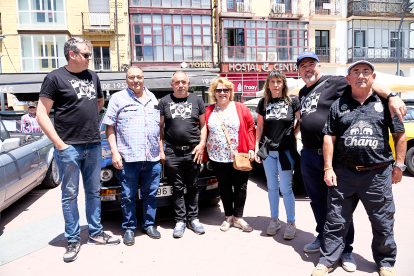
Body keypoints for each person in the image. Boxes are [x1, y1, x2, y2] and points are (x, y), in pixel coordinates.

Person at [297, 51, 406, 272]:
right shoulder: (302, 92)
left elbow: (365, 84)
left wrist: (393, 95)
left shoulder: (336, 82)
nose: (360, 76)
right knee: (323, 205)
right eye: (303, 66)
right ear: (299, 71)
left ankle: (350, 251)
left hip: (348, 162)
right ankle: (325, 244)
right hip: (312, 155)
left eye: (312, 64)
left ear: (320, 67)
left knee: (377, 219)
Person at [36, 37, 120, 263]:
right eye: (85, 54)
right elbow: (41, 114)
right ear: (71, 54)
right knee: (70, 195)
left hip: (93, 144)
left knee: (94, 192)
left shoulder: (93, 76)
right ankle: (73, 239)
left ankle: (95, 232)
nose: (89, 58)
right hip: (69, 146)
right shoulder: (54, 78)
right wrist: (60, 144)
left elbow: (99, 101)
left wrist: (89, 121)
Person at [103, 66, 161, 245]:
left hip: (152, 157)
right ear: (126, 79)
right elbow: (110, 126)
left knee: (151, 194)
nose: (135, 80)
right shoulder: (117, 98)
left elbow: (159, 127)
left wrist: (161, 150)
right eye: (131, 77)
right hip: (128, 158)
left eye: (139, 77)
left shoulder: (152, 98)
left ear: (144, 78)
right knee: (128, 196)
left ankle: (149, 224)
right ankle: (129, 227)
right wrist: (114, 152)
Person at [203, 77, 255, 232]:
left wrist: (251, 147)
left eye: (226, 90)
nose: (222, 93)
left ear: (230, 92)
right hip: (217, 157)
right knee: (224, 187)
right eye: (219, 90)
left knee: (240, 187)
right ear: (214, 93)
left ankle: (238, 218)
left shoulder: (240, 107)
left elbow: (251, 126)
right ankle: (228, 217)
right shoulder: (208, 111)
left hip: (238, 156)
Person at [159, 71, 207, 238]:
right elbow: (159, 128)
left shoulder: (197, 100)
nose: (180, 85)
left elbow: (203, 125)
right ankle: (180, 220)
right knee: (177, 187)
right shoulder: (164, 101)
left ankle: (193, 219)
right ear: (172, 84)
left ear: (188, 83)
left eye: (183, 82)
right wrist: (161, 149)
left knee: (193, 186)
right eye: (177, 82)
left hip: (193, 151)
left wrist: (202, 145)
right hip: (173, 151)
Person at [254, 70, 300, 239]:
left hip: (285, 151)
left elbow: (301, 121)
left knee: (286, 188)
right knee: (272, 187)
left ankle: (291, 222)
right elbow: (259, 127)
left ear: (283, 84)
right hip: (268, 151)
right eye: (272, 82)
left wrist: (293, 134)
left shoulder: (292, 101)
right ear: (268, 84)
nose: (275, 85)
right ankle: (274, 220)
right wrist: (255, 148)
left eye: (279, 82)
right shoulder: (263, 102)